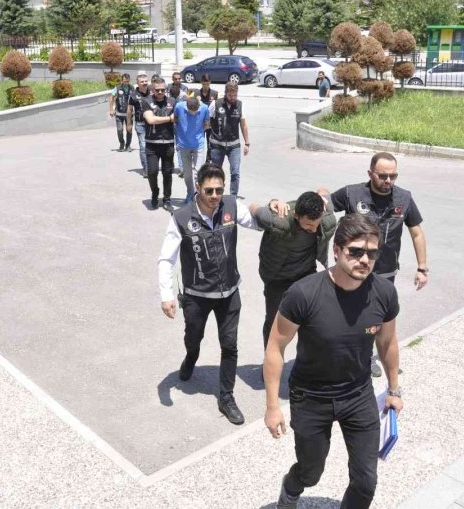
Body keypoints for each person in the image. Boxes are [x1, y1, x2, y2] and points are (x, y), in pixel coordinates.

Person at [263, 213, 402, 509]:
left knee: (366, 482)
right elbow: (275, 347)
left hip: (358, 394)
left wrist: (394, 389)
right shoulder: (303, 293)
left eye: (372, 253)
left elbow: (387, 342)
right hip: (311, 397)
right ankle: (291, 488)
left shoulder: (384, 293)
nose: (364, 260)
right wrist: (272, 406)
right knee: (310, 472)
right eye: (356, 251)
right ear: (337, 250)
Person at [159, 163, 274, 425]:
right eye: (209, 190)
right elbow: (166, 259)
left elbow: (257, 222)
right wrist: (166, 295)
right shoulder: (181, 217)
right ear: (198, 188)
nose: (214, 196)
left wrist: (272, 207)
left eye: (219, 190)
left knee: (230, 345)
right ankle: (191, 357)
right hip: (196, 295)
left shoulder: (231, 206)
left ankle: (226, 397)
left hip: (229, 292)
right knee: (193, 337)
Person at [319, 152, 428, 378]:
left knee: (377, 318)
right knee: (346, 314)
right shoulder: (352, 194)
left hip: (385, 272)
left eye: (393, 176)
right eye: (383, 175)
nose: (388, 181)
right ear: (370, 173)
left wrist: (422, 267)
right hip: (353, 270)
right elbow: (324, 204)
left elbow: (416, 232)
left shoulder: (404, 198)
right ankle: (340, 355)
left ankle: (370, 358)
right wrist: (321, 193)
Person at [253, 192, 337, 351]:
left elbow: (325, 192)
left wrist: (321, 194)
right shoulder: (279, 220)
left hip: (306, 275)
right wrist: (272, 202)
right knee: (274, 324)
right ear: (296, 216)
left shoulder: (326, 218)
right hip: (277, 278)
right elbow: (253, 207)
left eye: (316, 224)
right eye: (308, 226)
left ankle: (307, 362)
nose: (313, 229)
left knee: (313, 322)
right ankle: (270, 361)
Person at [141, 77, 177, 210]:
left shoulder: (173, 102)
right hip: (152, 144)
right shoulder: (146, 102)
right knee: (152, 172)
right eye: (157, 90)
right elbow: (150, 120)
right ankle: (155, 192)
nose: (160, 92)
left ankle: (167, 199)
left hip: (168, 143)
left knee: (167, 173)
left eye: (163, 90)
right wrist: (170, 119)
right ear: (152, 90)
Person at [208, 83, 249, 196]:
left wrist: (247, 143)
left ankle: (233, 197)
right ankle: (217, 195)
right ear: (225, 93)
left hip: (234, 146)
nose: (233, 98)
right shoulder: (215, 104)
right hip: (217, 145)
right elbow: (206, 121)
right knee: (216, 173)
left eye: (235, 95)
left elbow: (243, 125)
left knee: (235, 172)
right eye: (230, 95)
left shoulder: (240, 105)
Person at [173, 96, 211, 203]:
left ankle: (196, 195)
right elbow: (175, 120)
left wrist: (198, 133)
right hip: (183, 145)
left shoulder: (204, 108)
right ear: (186, 106)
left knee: (198, 172)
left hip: (198, 144)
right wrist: (180, 134)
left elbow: (207, 124)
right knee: (187, 174)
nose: (193, 113)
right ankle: (190, 192)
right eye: (191, 111)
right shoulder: (179, 107)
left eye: (196, 111)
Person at [127, 74, 152, 177]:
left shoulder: (152, 92)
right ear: (137, 83)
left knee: (153, 146)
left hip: (152, 124)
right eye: (142, 81)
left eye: (146, 81)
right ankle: (146, 169)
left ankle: (153, 166)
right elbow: (129, 110)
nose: (144, 83)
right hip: (140, 124)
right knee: (143, 146)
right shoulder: (133, 95)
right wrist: (129, 124)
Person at [107, 73, 132, 151]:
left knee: (129, 130)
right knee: (120, 130)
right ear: (122, 80)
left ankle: (128, 145)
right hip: (119, 113)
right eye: (124, 81)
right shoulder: (117, 88)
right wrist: (111, 110)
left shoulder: (132, 88)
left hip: (129, 114)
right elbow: (111, 98)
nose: (126, 83)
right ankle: (122, 143)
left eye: (127, 81)